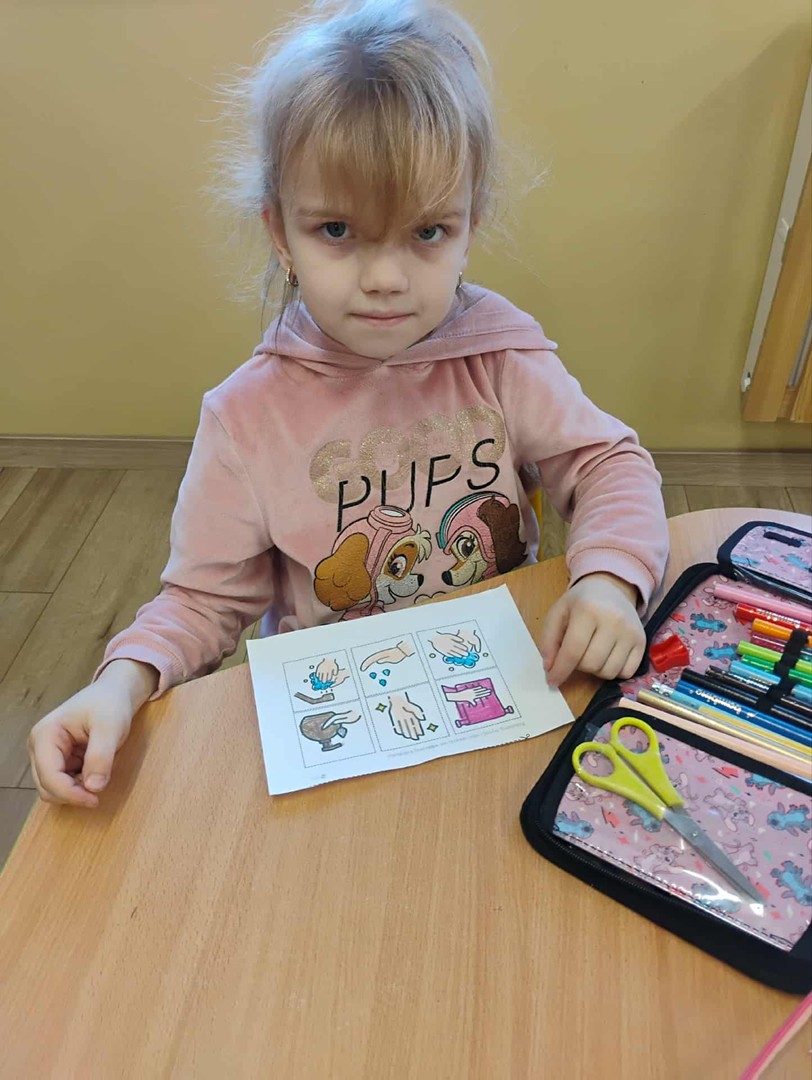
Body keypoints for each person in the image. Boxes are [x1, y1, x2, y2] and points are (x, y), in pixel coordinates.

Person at [28, 0, 669, 808]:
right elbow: (201, 601)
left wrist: (609, 580)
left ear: (472, 224)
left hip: (502, 691)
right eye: (337, 230)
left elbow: (608, 464)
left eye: (428, 233)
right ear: (280, 233)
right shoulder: (247, 416)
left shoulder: (501, 355)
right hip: (344, 730)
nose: (385, 279)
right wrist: (120, 684)